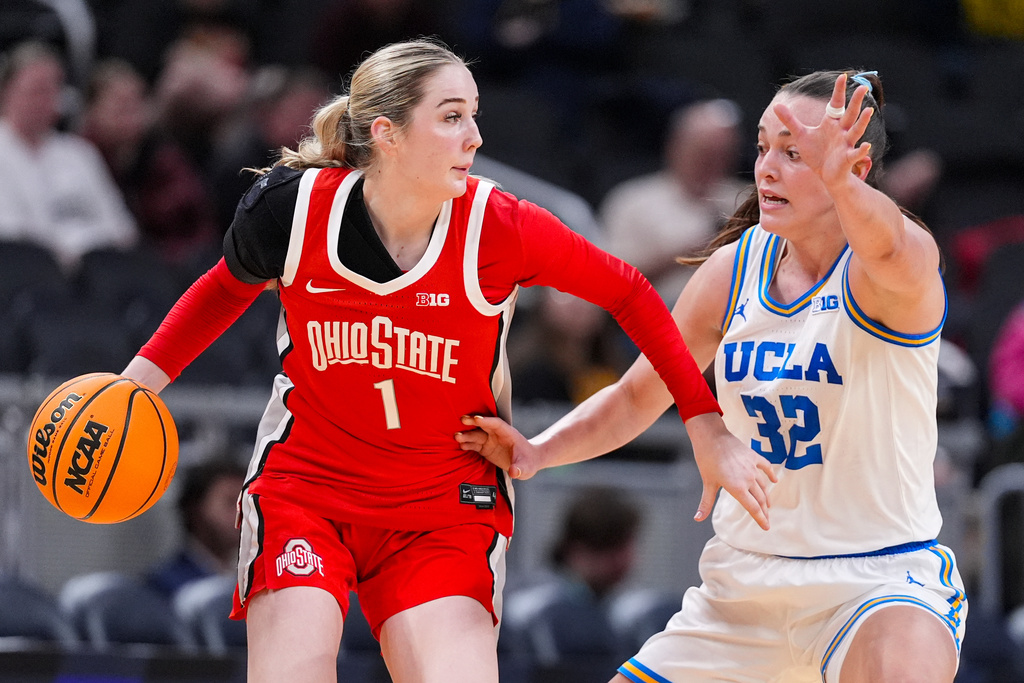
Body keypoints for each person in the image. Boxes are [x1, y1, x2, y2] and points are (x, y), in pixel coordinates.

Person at [119, 38, 743, 683]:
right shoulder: (295, 210)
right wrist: (134, 386)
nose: (474, 136)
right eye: (451, 117)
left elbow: (631, 292)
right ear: (387, 133)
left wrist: (703, 421)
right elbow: (224, 287)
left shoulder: (499, 225)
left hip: (442, 505)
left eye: (474, 114)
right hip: (308, 490)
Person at [457, 69, 967, 682]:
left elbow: (888, 246)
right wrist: (539, 453)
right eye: (763, 147)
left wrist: (841, 186)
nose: (767, 169)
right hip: (742, 588)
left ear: (853, 168)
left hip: (876, 581)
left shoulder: (893, 270)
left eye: (796, 154)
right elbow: (636, 396)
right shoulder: (733, 270)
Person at [0, 41, 138, 270]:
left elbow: (121, 228)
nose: (45, 100)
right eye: (37, 89)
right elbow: (11, 234)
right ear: (7, 91)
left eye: (53, 89)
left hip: (99, 270)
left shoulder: (80, 152)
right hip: (32, 273)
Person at [599, 98, 746, 303]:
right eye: (703, 152)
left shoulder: (746, 201)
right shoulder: (633, 201)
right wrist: (693, 249)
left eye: (722, 154)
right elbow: (611, 279)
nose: (712, 163)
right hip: (653, 316)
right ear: (676, 146)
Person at [145, 459, 247, 598]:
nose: (242, 515)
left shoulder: (256, 579)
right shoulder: (163, 586)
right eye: (230, 503)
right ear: (196, 509)